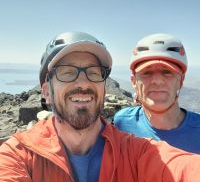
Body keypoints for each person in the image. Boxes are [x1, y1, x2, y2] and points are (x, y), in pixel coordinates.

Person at [1, 32, 200, 182]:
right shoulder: (20, 155)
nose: (83, 83)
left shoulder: (135, 151)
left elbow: (182, 168)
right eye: (67, 72)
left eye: (94, 72)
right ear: (46, 91)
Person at [114, 33, 200, 154]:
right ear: (134, 81)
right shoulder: (121, 123)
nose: (157, 81)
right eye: (147, 72)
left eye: (167, 72)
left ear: (180, 80)